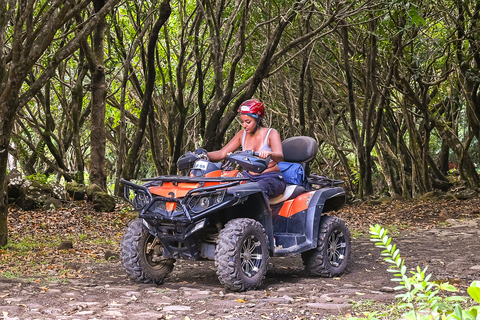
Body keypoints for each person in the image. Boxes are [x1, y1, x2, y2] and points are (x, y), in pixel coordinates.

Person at [202, 99, 286, 199]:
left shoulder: (271, 133)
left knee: (256, 191)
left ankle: (264, 214)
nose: (244, 125)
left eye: (248, 122)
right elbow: (222, 153)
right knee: (227, 191)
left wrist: (270, 154)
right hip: (249, 177)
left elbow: (280, 156)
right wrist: (203, 155)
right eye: (242, 122)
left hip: (271, 177)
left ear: (258, 119)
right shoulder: (242, 135)